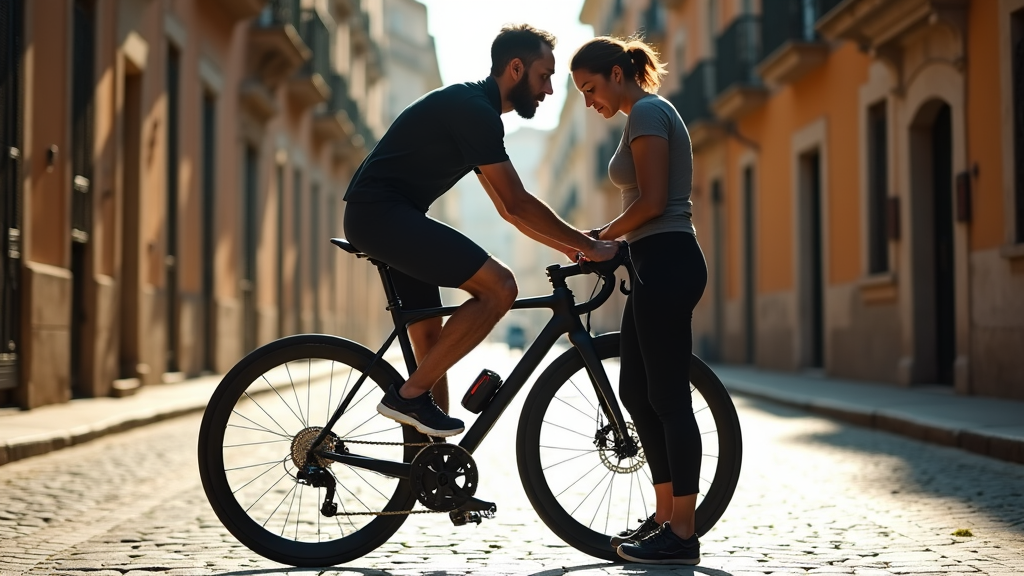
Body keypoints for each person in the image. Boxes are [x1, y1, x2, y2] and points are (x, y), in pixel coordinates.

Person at [343, 24, 620, 438]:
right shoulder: (473, 110)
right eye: (544, 76)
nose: (547, 90)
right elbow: (517, 201)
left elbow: (508, 212)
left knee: (432, 347)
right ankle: (408, 395)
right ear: (515, 68)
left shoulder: (475, 111)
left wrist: (567, 247)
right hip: (382, 216)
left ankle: (431, 468)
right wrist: (588, 245)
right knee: (501, 287)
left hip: (387, 217)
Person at [570, 36, 708, 565]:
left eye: (591, 88)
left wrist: (602, 236)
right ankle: (664, 516)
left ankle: (683, 533)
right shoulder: (640, 116)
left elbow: (652, 201)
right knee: (636, 392)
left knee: (669, 397)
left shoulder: (649, 112)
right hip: (651, 262)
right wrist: (610, 242)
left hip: (669, 259)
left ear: (617, 75)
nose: (589, 101)